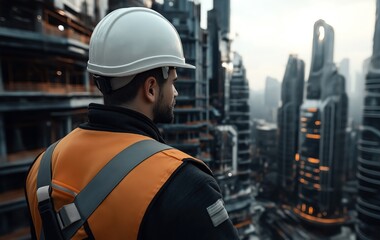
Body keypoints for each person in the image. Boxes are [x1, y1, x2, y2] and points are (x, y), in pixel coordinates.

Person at [25, 7, 240, 240]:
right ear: (150, 88)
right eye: (173, 83)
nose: (176, 92)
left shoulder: (42, 166)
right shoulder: (185, 184)